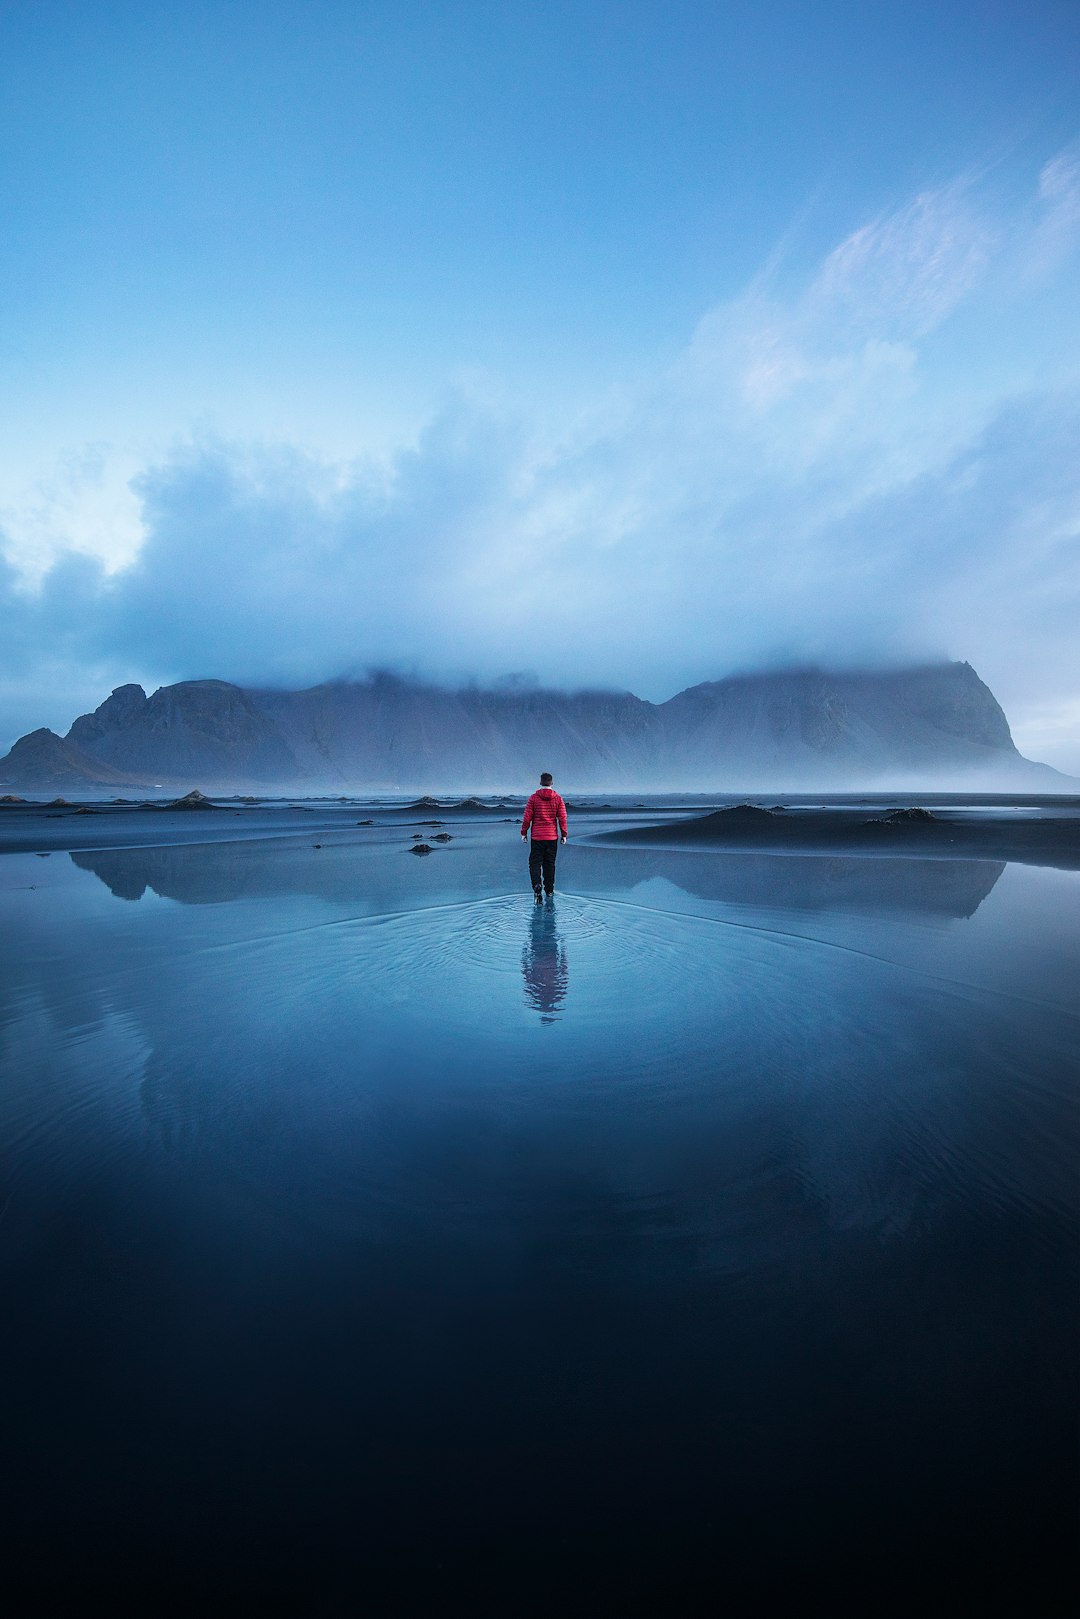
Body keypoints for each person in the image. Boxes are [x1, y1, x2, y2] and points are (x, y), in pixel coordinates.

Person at [520, 772, 568, 901]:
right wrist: (564, 834)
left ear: (540, 783)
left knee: (534, 863)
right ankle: (550, 891)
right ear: (552, 783)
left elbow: (527, 818)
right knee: (549, 864)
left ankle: (537, 885)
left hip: (537, 837)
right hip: (552, 837)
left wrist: (524, 832)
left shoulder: (533, 798)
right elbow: (562, 818)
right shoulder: (558, 799)